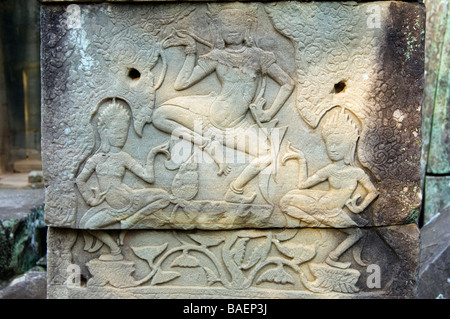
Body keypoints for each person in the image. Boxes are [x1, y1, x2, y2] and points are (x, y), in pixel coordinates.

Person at [152, 6, 294, 204]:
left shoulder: (258, 57)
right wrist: (191, 51)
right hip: (211, 114)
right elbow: (181, 84)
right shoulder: (216, 57)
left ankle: (235, 190)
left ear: (247, 28)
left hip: (237, 126)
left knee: (267, 156)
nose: (232, 29)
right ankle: (205, 143)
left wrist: (269, 113)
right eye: (227, 25)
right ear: (219, 30)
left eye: (237, 24)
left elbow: (287, 83)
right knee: (159, 115)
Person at [280, 107, 378, 269]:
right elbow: (303, 185)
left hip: (332, 211)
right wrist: (302, 160)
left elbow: (373, 192)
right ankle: (314, 223)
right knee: (286, 201)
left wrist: (359, 207)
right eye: (329, 144)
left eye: (337, 144)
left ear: (348, 145)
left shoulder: (356, 172)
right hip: (321, 204)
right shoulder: (329, 170)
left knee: (356, 233)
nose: (331, 148)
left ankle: (331, 257)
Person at [76, 98, 171, 261]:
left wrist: (152, 154)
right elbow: (80, 180)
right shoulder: (96, 159)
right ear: (104, 132)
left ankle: (132, 219)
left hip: (128, 200)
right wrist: (90, 200)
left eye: (124, 131)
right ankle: (115, 250)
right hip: (109, 205)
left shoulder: (123, 157)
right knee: (89, 225)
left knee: (163, 196)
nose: (122, 135)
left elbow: (148, 178)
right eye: (116, 131)